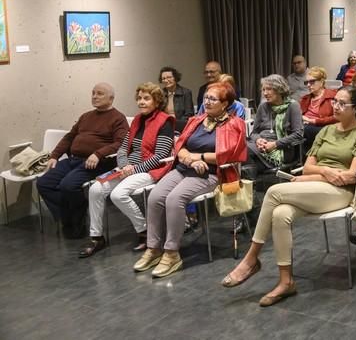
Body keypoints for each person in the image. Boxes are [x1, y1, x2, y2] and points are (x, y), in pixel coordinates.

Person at [221, 86, 356, 306]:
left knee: (274, 192)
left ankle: (251, 258)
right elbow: (307, 168)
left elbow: (350, 177)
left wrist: (313, 176)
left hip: (342, 194)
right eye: (335, 102)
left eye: (343, 103)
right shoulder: (326, 131)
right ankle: (286, 282)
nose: (336, 106)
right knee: (281, 214)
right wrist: (323, 172)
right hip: (318, 186)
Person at [133, 82, 247, 277]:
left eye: (213, 99)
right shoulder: (197, 120)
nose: (207, 102)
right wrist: (189, 159)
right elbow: (181, 145)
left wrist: (199, 158)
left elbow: (228, 155)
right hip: (185, 167)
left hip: (212, 173)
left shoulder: (234, 124)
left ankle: (171, 253)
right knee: (155, 197)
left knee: (174, 199)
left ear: (225, 103)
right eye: (206, 98)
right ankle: (153, 248)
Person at [80, 83, 174, 257]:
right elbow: (123, 148)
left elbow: (160, 155)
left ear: (157, 100)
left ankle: (145, 233)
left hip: (151, 170)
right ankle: (96, 238)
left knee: (118, 194)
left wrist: (134, 169)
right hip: (127, 168)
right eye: (139, 98)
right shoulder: (138, 120)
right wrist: (124, 166)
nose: (141, 102)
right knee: (95, 189)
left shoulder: (165, 121)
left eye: (146, 98)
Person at [37, 83, 128, 239]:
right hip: (73, 159)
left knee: (68, 185)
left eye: (100, 93)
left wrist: (98, 154)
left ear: (111, 98)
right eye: (93, 93)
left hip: (96, 162)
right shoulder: (86, 116)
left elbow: (121, 143)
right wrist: (54, 156)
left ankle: (75, 220)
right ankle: (71, 215)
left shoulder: (118, 118)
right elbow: (69, 137)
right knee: (44, 183)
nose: (94, 96)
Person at [245, 75, 303, 177]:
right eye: (263, 90)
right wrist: (258, 140)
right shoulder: (263, 106)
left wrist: (275, 144)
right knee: (239, 151)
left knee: (245, 153)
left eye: (269, 89)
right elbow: (254, 133)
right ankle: (253, 183)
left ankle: (251, 184)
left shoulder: (292, 106)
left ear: (279, 89)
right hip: (260, 146)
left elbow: (298, 134)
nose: (265, 93)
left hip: (282, 149)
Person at [300, 66, 337, 150]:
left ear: (321, 82)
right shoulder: (305, 98)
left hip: (324, 128)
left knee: (304, 130)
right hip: (305, 127)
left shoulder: (333, 96)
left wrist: (313, 121)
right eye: (307, 82)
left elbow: (337, 118)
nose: (308, 85)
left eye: (312, 82)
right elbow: (298, 114)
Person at [159, 66, 194, 132]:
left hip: (181, 126)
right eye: (163, 78)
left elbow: (189, 114)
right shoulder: (160, 93)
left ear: (175, 78)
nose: (166, 80)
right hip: (164, 125)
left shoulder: (186, 92)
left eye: (169, 77)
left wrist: (176, 123)